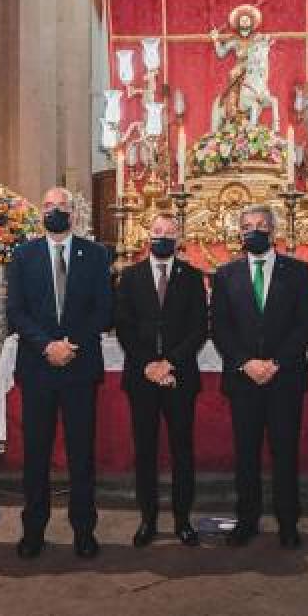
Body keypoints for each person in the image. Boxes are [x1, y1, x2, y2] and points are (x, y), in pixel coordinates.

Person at [6, 186, 113, 559]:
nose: (53, 211)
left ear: (74, 214)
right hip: (38, 368)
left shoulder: (97, 255)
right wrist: (46, 345)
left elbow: (104, 310)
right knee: (36, 455)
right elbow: (15, 311)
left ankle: (84, 530)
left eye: (60, 207)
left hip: (79, 368)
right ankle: (33, 530)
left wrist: (70, 344)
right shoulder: (23, 255)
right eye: (47, 206)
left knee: (81, 454)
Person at [210, 203, 308, 548]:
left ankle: (288, 522)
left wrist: (275, 363)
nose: (253, 230)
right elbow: (220, 328)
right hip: (243, 380)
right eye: (246, 225)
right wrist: (246, 362)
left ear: (273, 231)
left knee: (285, 453)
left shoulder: (298, 272)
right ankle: (247, 520)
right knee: (246, 454)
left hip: (283, 378)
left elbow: (305, 325)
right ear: (239, 233)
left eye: (260, 225)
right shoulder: (226, 274)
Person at [114, 213, 208, 547]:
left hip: (179, 376)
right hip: (142, 378)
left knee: (182, 451)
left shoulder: (193, 277)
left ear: (178, 237)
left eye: (169, 232)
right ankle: (147, 519)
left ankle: (183, 520)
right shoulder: (130, 276)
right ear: (147, 235)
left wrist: (169, 364)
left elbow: (200, 328)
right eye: (157, 232)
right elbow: (123, 326)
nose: (162, 237)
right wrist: (149, 366)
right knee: (145, 451)